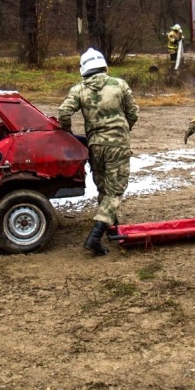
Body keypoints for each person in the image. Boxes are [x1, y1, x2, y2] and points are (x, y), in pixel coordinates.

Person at [58, 48, 140, 256]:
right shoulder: (119, 85)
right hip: (118, 145)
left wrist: (68, 134)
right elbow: (133, 113)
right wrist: (123, 131)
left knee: (103, 186)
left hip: (95, 145)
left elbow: (63, 112)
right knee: (115, 190)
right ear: (104, 65)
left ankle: (111, 224)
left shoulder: (79, 90)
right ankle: (96, 235)